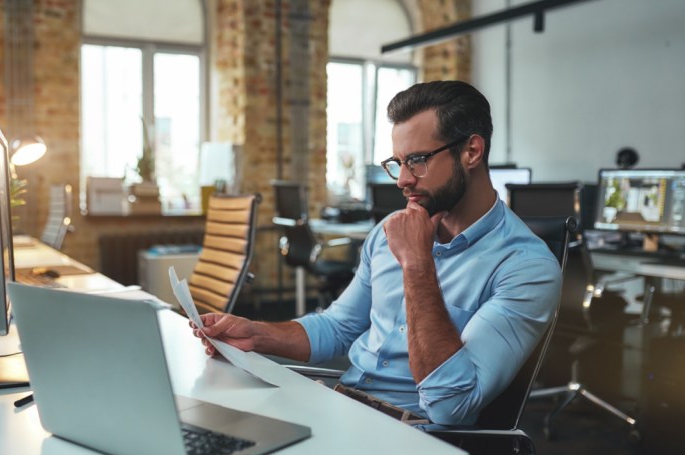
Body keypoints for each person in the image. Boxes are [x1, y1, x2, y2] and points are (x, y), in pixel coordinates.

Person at [191, 80, 562, 428]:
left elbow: (450, 405)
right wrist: (256, 334)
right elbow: (338, 327)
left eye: (417, 160)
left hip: (414, 434)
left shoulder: (527, 267)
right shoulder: (387, 234)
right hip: (343, 410)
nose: (402, 179)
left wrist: (417, 264)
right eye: (398, 162)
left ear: (472, 151)